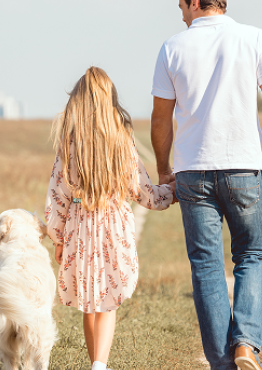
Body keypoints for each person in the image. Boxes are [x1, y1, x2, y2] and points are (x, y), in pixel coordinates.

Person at [150, 1, 262, 369]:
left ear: (193, 3)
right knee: (250, 256)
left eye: (180, 3)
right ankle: (245, 346)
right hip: (244, 167)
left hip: (192, 171)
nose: (179, 9)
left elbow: (161, 117)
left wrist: (162, 169)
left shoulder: (172, 47)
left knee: (206, 265)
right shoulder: (254, 38)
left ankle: (222, 363)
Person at [45, 67, 176, 370]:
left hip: (79, 225)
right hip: (114, 224)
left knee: (90, 300)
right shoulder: (122, 139)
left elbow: (58, 195)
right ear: (110, 100)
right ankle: (99, 365)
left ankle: (96, 361)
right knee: (108, 299)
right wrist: (173, 191)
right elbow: (144, 192)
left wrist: (58, 238)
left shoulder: (69, 142)